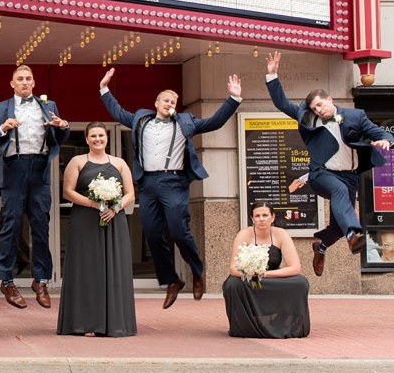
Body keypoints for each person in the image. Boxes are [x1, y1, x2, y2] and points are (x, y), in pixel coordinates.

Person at [100, 66, 242, 307]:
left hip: (173, 182)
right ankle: (172, 280)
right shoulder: (140, 120)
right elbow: (118, 113)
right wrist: (104, 88)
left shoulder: (185, 122)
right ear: (156, 102)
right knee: (152, 233)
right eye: (166, 100)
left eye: (173, 101)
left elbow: (214, 122)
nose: (169, 103)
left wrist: (233, 98)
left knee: (177, 230)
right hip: (147, 183)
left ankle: (197, 271)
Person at [265, 52, 394, 276]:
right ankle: (354, 235)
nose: (318, 111)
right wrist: (272, 75)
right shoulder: (307, 117)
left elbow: (379, 132)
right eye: (314, 109)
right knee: (339, 191)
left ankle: (321, 247)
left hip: (350, 175)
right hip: (322, 174)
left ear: (330, 100)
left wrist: (386, 141)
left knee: (336, 225)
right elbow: (281, 103)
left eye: (320, 105)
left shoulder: (356, 116)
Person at [0, 64, 70, 309]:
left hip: (40, 168)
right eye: (19, 79)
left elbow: (60, 139)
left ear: (34, 83)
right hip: (13, 169)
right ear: (12, 84)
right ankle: (6, 280)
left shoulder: (48, 106)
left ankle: (41, 280)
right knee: (11, 224)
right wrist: (3, 128)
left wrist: (63, 127)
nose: (24, 82)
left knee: (41, 225)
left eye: (28, 79)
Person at [57, 123, 137, 337]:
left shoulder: (119, 163)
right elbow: (67, 192)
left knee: (114, 268)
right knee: (87, 269)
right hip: (85, 220)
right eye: (93, 136)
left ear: (107, 138)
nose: (97, 139)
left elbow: (130, 194)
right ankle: (87, 322)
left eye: (101, 135)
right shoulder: (77, 161)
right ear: (86, 139)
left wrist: (115, 208)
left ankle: (114, 322)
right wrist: (95, 204)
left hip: (114, 220)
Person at [222, 201, 310, 338]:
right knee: (232, 284)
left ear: (272, 217)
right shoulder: (244, 234)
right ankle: (244, 326)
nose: (261, 219)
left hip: (272, 277)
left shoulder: (281, 234)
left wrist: (264, 274)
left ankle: (287, 324)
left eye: (265, 215)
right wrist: (251, 274)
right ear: (252, 219)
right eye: (257, 216)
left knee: (300, 282)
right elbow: (233, 268)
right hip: (249, 277)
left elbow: (295, 267)